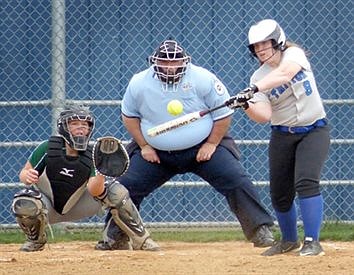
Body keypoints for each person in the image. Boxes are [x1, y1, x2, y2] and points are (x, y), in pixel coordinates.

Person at [96, 39, 275, 250]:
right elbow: (129, 117)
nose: (170, 67)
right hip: (156, 153)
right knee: (126, 187)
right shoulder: (139, 82)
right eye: (164, 62)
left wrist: (211, 144)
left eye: (175, 63)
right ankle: (116, 237)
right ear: (155, 63)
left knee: (236, 179)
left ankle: (260, 231)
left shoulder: (203, 78)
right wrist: (144, 146)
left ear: (185, 62)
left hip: (202, 148)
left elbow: (223, 115)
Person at [225, 19, 330, 256]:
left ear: (278, 41)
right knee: (280, 192)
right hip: (283, 135)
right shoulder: (257, 77)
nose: (261, 49)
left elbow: (285, 74)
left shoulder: (294, 54)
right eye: (256, 46)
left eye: (266, 44)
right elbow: (264, 115)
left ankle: (313, 241)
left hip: (314, 130)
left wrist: (254, 90)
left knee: (306, 181)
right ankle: (289, 241)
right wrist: (246, 104)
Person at [11, 104, 159, 252]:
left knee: (115, 190)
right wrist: (27, 176)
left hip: (78, 205)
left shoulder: (93, 153)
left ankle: (142, 240)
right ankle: (35, 241)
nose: (81, 128)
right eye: (74, 124)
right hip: (47, 206)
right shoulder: (48, 147)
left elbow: (96, 191)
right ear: (63, 126)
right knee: (24, 201)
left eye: (85, 124)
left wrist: (101, 171)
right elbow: (24, 173)